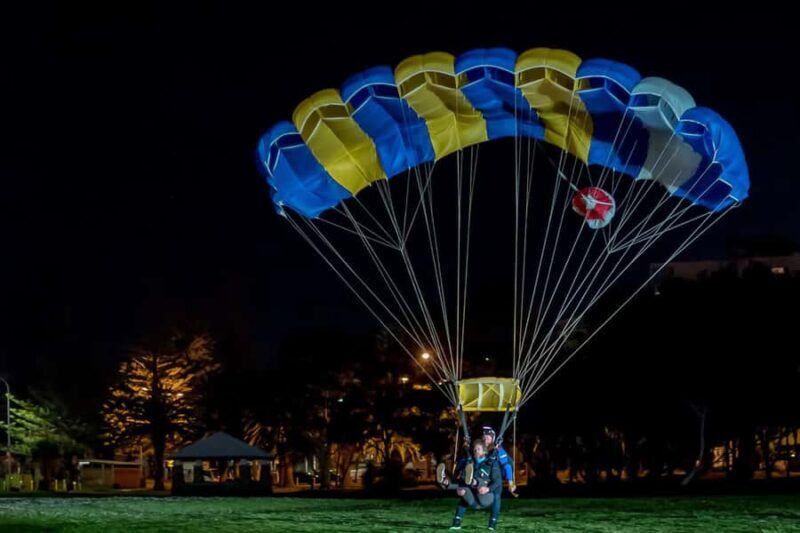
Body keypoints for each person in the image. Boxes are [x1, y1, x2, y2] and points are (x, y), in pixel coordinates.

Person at [437, 439, 502, 530]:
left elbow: (498, 482)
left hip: (486, 497)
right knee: (463, 487)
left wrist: (488, 489)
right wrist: (459, 489)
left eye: (478, 449)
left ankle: (473, 482)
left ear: (484, 450)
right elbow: (461, 481)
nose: (476, 451)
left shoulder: (491, 463)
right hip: (472, 500)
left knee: (478, 481)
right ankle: (444, 482)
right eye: (474, 450)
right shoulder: (469, 463)